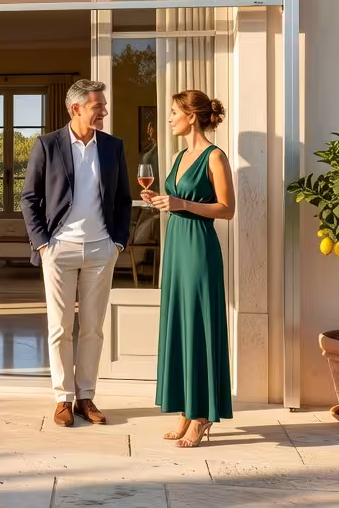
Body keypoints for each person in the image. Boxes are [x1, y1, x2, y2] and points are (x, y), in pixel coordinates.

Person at [21, 79, 132, 428]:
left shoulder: (113, 147)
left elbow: (123, 199)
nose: (105, 112)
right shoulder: (48, 144)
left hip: (101, 249)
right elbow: (29, 199)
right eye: (98, 106)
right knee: (60, 327)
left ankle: (86, 397)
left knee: (93, 329)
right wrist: (43, 244)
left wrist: (117, 242)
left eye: (103, 106)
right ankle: (62, 398)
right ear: (76, 109)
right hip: (59, 249)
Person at [141, 89, 235, 448]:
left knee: (199, 325)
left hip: (199, 249)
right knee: (181, 325)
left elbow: (227, 209)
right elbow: (177, 201)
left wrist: (182, 203)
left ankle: (202, 415)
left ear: (191, 117)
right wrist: (159, 200)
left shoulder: (215, 156)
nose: (168, 119)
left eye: (173, 112)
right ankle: (186, 407)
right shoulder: (180, 156)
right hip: (177, 247)